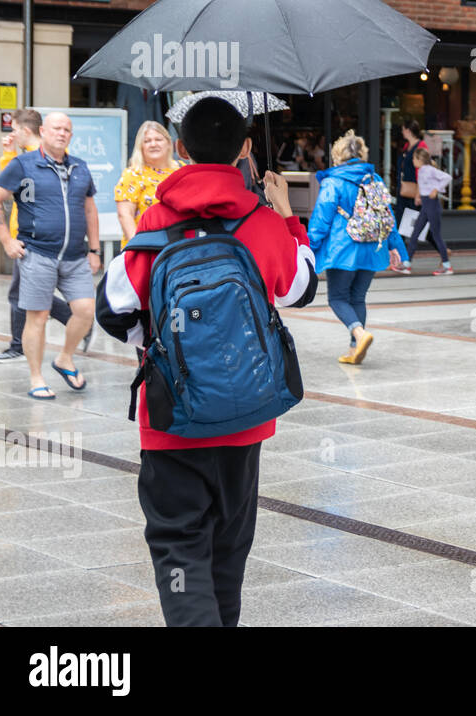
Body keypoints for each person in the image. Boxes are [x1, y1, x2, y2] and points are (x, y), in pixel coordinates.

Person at [96, 96, 317, 627]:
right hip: (246, 420)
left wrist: (157, 349)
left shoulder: (155, 221)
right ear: (245, 148)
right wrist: (288, 218)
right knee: (228, 550)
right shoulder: (261, 221)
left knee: (179, 550)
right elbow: (301, 291)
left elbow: (112, 306)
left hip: (171, 423)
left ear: (179, 149)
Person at [0, 111, 100, 400]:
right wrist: (7, 241)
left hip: (74, 256)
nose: (62, 133)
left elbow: (89, 209)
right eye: (57, 128)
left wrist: (95, 249)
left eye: (67, 130)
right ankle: (36, 378)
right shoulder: (23, 164)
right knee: (38, 316)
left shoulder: (80, 168)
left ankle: (64, 359)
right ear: (44, 132)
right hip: (37, 252)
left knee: (85, 311)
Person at [308, 130, 408, 364]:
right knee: (358, 297)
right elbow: (388, 217)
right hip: (373, 248)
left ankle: (359, 334)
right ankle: (355, 349)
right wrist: (397, 249)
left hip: (343, 249)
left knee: (337, 298)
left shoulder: (333, 182)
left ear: (337, 156)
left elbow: (321, 220)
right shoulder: (375, 180)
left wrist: (308, 248)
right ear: (361, 154)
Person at [0, 109, 78, 364]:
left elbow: (5, 188)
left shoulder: (35, 159)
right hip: (31, 234)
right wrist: (8, 154)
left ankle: (19, 345)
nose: (12, 135)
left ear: (26, 131)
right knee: (26, 291)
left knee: (22, 293)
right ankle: (74, 319)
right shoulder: (31, 157)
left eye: (14, 130)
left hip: (32, 236)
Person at [115, 120, 183, 245]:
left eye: (158, 139)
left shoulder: (181, 171)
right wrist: (138, 246)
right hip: (146, 247)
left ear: (169, 143)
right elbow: (125, 215)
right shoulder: (133, 174)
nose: (153, 144)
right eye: (147, 141)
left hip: (177, 245)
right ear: (140, 147)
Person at [407, 147, 453, 275]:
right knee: (415, 233)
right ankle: (406, 263)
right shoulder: (421, 170)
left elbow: (447, 177)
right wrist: (419, 196)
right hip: (426, 205)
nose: (412, 161)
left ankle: (446, 266)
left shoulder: (429, 170)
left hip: (432, 205)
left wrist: (436, 189)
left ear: (420, 159)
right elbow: (423, 186)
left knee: (435, 235)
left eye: (414, 158)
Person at [394, 119, 429, 241]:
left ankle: (442, 249)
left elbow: (423, 172)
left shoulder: (421, 146)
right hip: (404, 190)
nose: (402, 132)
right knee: (401, 223)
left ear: (408, 131)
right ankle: (401, 254)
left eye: (403, 129)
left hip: (413, 191)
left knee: (416, 224)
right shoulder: (406, 147)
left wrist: (419, 194)